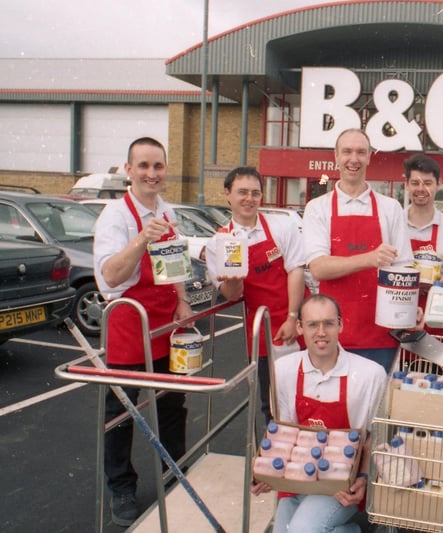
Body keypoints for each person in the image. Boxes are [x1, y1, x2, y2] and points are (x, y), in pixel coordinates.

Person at [93, 136, 192, 527]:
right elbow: (110, 277)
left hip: (167, 323)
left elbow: (176, 261)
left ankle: (175, 470)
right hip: (130, 326)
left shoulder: (167, 211)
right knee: (121, 414)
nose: (152, 173)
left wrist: (183, 299)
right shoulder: (115, 216)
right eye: (144, 166)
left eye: (158, 166)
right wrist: (140, 239)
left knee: (172, 404)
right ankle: (121, 486)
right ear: (129, 170)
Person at [251, 294, 386, 532]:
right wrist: (263, 469)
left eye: (329, 323)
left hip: (341, 484)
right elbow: (281, 432)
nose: (321, 332)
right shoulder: (283, 369)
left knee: (302, 530)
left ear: (340, 325)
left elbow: (372, 437)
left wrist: (363, 478)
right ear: (300, 327)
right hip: (297, 478)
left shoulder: (370, 375)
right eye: (313, 324)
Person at [303, 128, 414, 373]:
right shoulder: (317, 208)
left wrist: (409, 311)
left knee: (374, 407)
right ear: (336, 156)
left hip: (380, 333)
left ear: (370, 157)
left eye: (361, 152)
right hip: (330, 333)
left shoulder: (390, 208)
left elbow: (404, 269)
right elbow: (319, 268)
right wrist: (370, 258)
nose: (354, 159)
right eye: (347, 152)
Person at [204, 166, 306, 426]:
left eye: (255, 193)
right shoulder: (219, 243)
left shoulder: (281, 227)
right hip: (264, 330)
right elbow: (230, 295)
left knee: (307, 394)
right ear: (227, 194)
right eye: (242, 192)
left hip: (299, 322)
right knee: (272, 401)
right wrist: (234, 279)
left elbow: (296, 270)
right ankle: (277, 458)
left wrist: (293, 317)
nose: (249, 198)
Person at [402, 154, 443, 331]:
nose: (421, 189)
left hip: (439, 321)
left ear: (439, 183)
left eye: (427, 183)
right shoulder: (394, 224)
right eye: (415, 183)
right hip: (399, 318)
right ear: (406, 185)